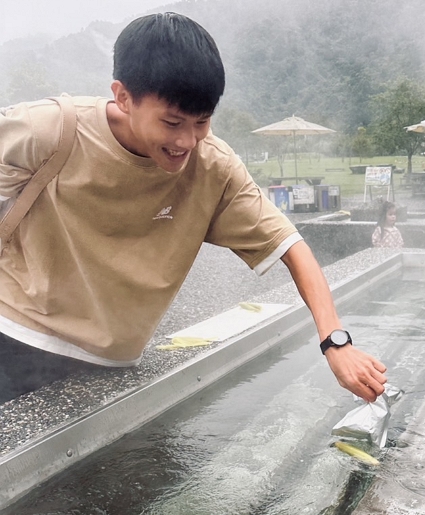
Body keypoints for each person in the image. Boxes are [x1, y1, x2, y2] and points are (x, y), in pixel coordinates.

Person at [0, 13, 387, 406]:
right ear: (122, 96)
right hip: (15, 338)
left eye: (201, 122)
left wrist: (335, 341)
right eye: (172, 122)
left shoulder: (213, 168)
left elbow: (290, 246)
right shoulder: (51, 129)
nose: (186, 141)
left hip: (114, 365)